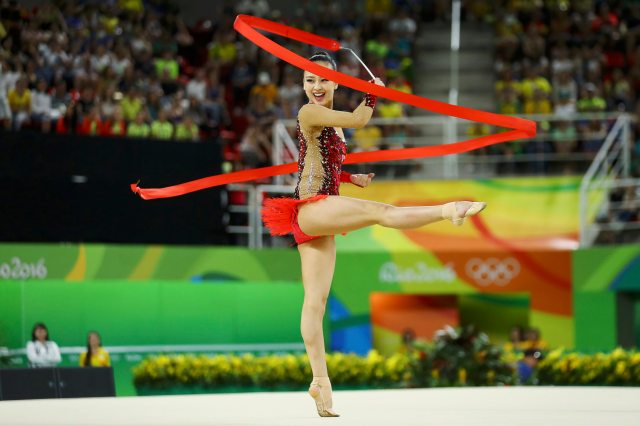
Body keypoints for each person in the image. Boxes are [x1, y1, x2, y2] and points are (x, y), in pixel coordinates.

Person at [261, 51, 487, 417]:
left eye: (322, 79)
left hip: (318, 211)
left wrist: (352, 178)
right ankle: (450, 210)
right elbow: (359, 120)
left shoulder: (327, 121)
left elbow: (317, 160)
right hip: (312, 207)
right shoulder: (309, 113)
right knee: (383, 214)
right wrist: (371, 93)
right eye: (309, 80)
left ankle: (320, 380)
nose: (316, 87)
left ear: (335, 82)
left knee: (315, 302)